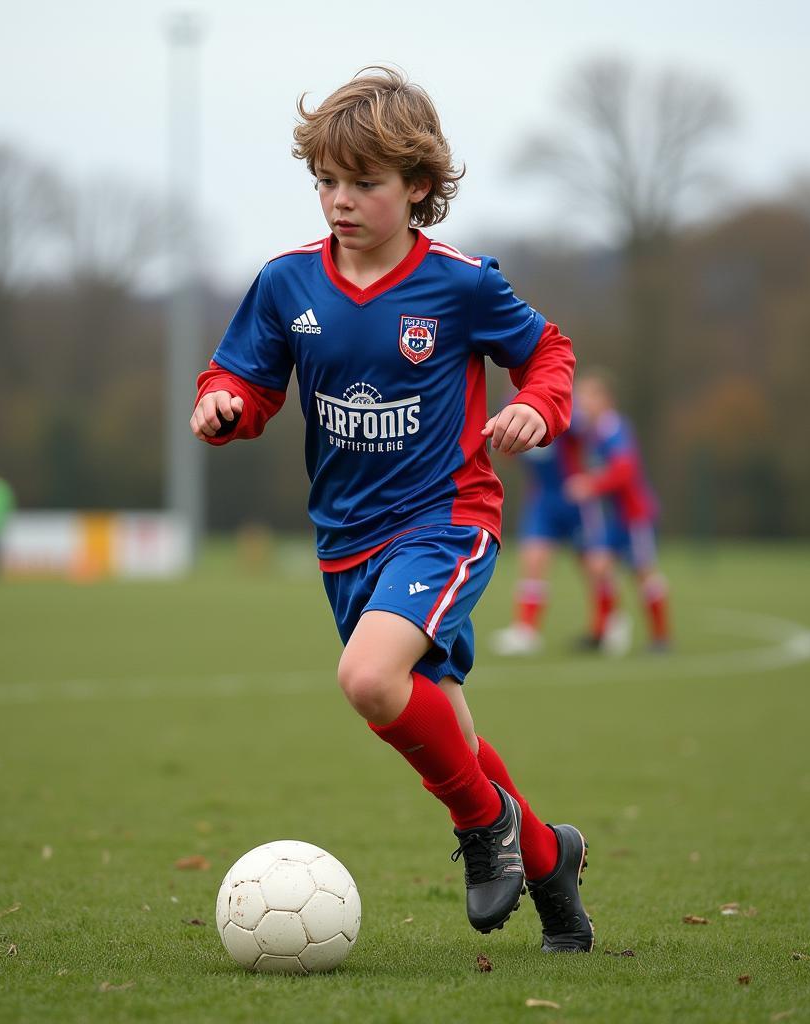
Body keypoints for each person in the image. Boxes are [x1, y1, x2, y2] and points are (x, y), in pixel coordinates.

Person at [190, 67, 592, 951]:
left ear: (418, 188)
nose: (339, 200)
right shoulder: (286, 284)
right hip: (345, 546)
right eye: (326, 181)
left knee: (370, 681)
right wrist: (222, 406)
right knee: (443, 725)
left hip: (445, 523)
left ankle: (483, 832)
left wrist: (537, 406)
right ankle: (549, 859)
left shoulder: (460, 285)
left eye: (363, 183)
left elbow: (549, 352)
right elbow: (243, 381)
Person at [490, 426, 625, 655]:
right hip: (543, 500)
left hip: (574, 498)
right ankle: (526, 631)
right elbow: (507, 455)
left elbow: (594, 441)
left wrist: (592, 480)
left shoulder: (566, 407)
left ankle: (609, 622)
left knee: (594, 565)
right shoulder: (511, 408)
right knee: (533, 559)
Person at [566, 371, 671, 651]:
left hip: (634, 516)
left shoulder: (614, 428)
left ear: (605, 399)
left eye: (587, 395)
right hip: (613, 518)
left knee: (643, 573)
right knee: (598, 565)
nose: (581, 402)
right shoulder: (593, 430)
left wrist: (590, 484)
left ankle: (661, 637)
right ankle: (602, 631)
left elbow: (625, 471)